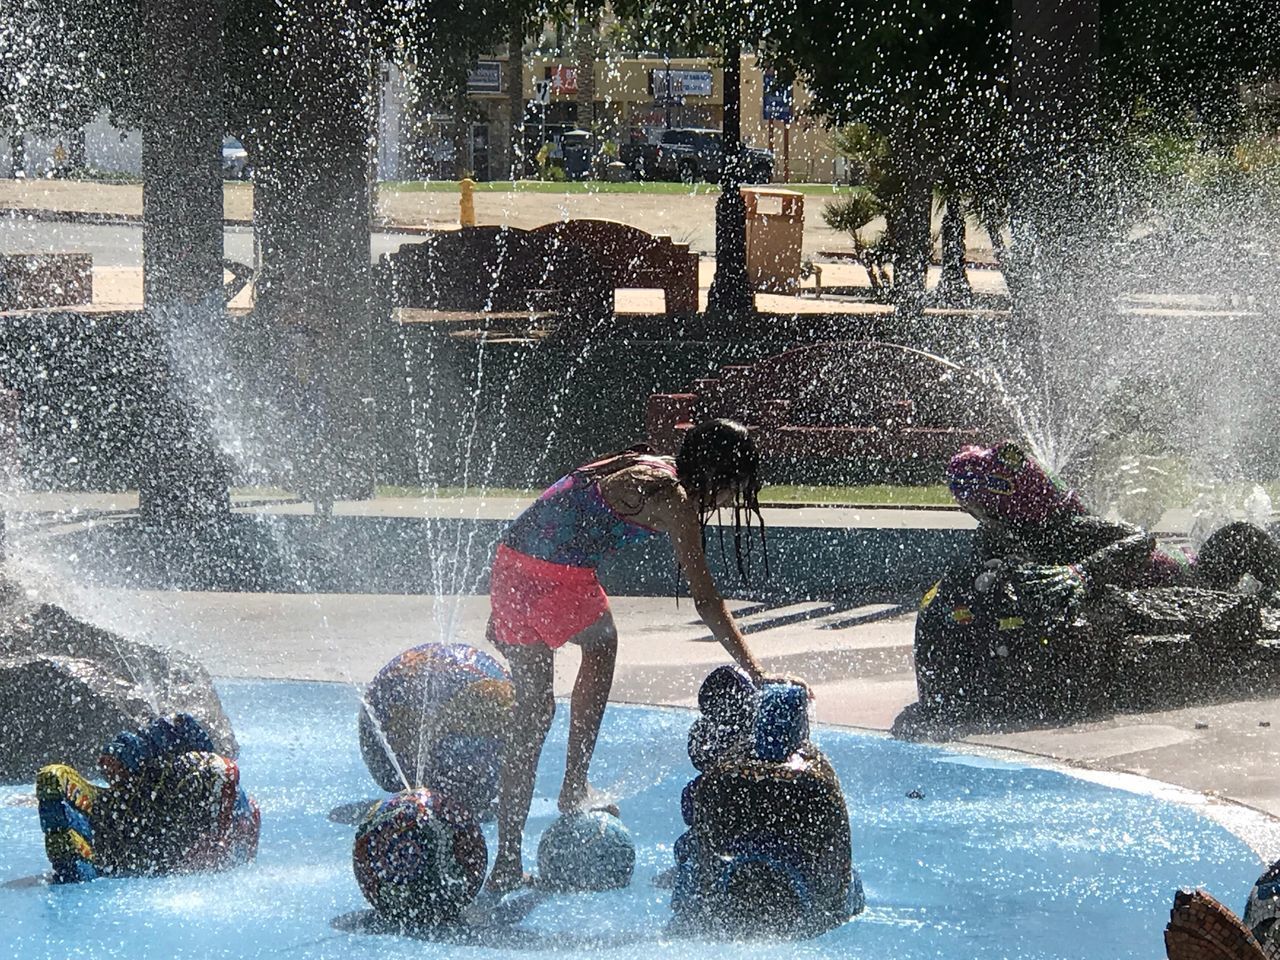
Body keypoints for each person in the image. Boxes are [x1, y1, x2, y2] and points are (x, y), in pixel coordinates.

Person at [483, 419, 771, 897]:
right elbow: (706, 600)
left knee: (532, 716)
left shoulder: (653, 467)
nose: (729, 503)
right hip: (553, 574)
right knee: (602, 643)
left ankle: (508, 861)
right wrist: (756, 670)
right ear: (717, 475)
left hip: (511, 566)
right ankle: (574, 785)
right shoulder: (675, 501)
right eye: (733, 490)